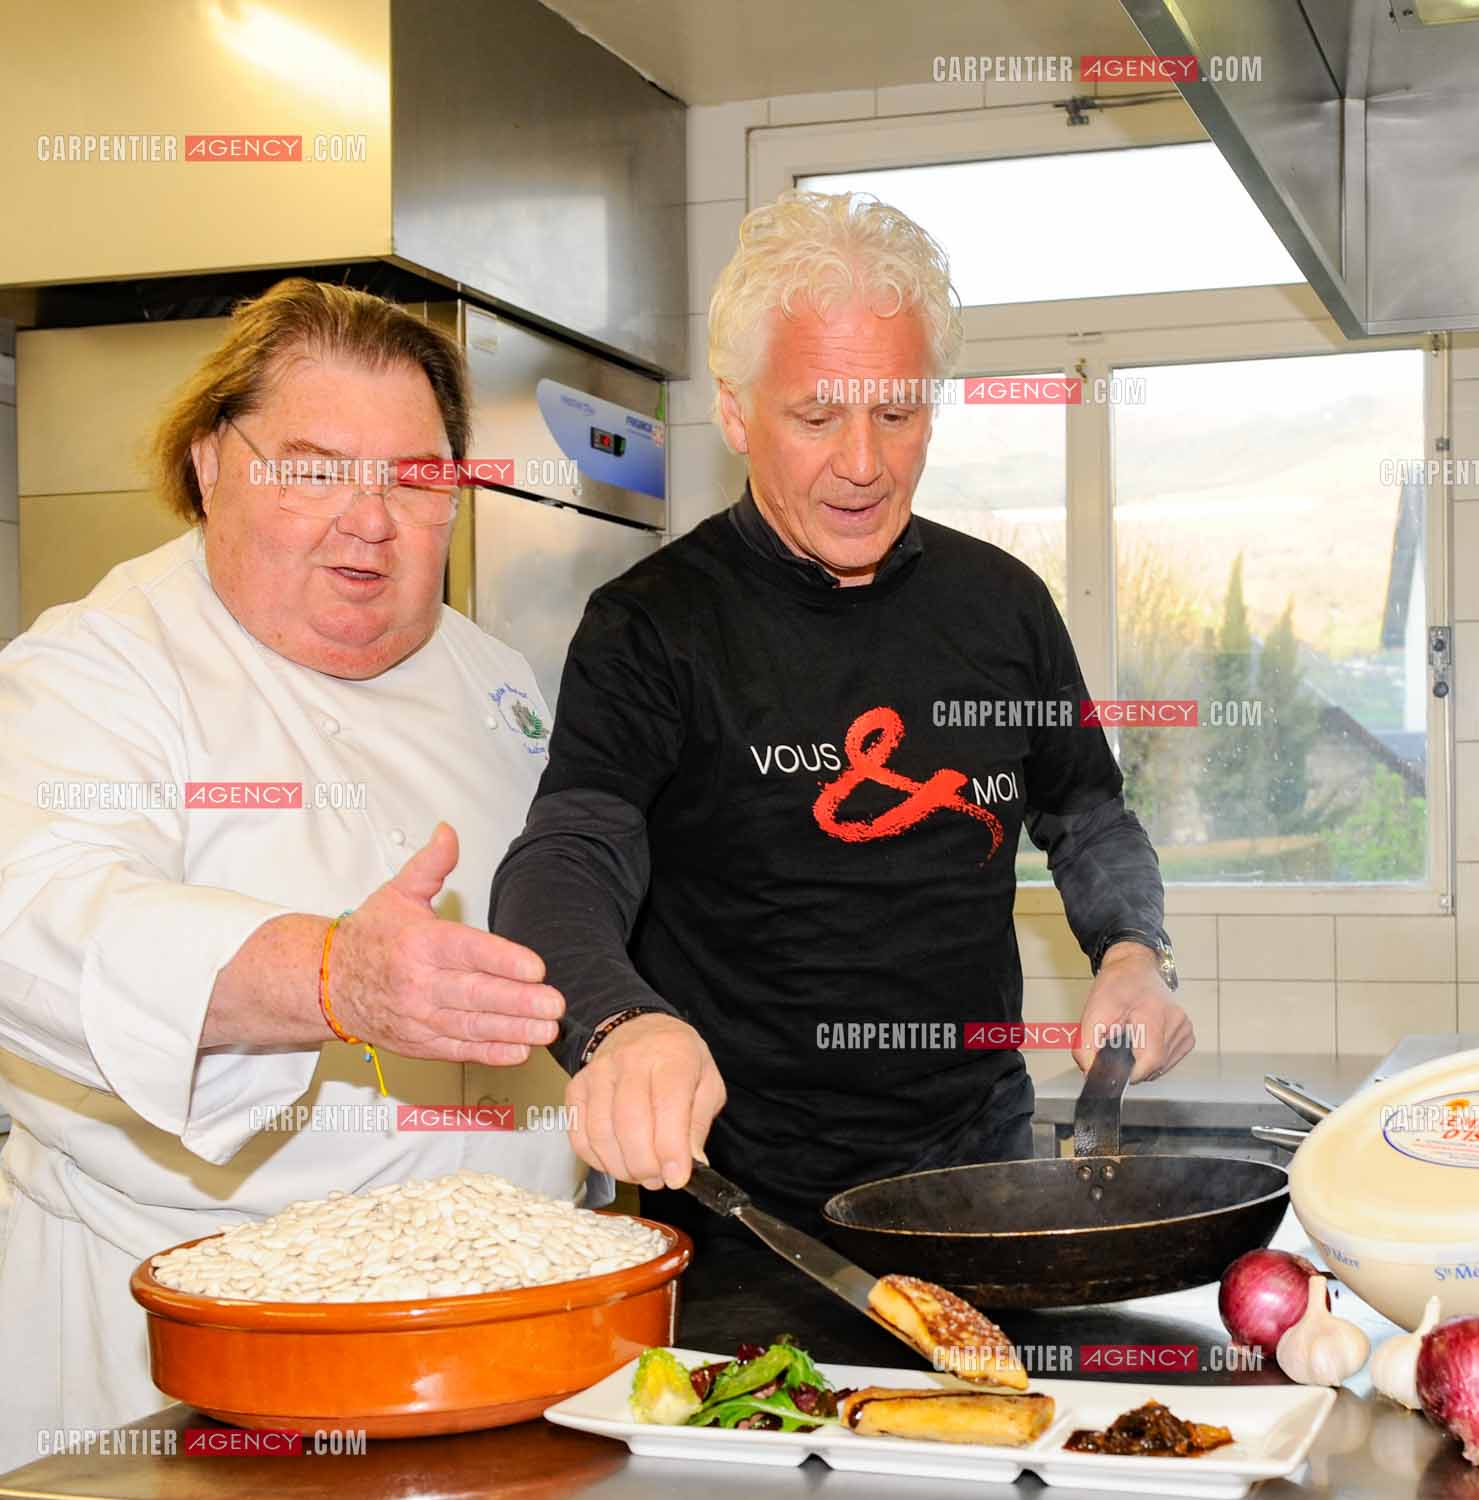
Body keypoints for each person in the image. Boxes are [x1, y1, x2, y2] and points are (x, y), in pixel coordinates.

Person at [491, 191, 1192, 1236]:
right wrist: (621, 1024)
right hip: (736, 1199)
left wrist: (1134, 953)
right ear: (736, 413)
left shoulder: (1000, 606)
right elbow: (566, 855)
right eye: (816, 416)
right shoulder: (653, 625)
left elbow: (1087, 815)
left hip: (976, 1180)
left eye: (897, 414)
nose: (863, 463)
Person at [0, 280, 583, 1468]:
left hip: (501, 1321)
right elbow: (35, 913)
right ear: (214, 462)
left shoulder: (494, 678)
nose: (367, 520)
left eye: (414, 480)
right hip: (190, 1346)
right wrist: (331, 977)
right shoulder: (98, 669)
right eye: (314, 470)